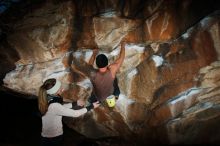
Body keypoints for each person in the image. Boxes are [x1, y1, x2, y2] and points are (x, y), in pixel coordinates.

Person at [38, 78, 100, 146]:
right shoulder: (54, 105)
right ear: (55, 91)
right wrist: (91, 107)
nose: (62, 89)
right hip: (53, 138)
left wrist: (75, 103)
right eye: (60, 88)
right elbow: (75, 114)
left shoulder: (47, 98)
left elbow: (60, 108)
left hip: (45, 136)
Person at [88, 41, 125, 106]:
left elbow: (89, 65)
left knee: (92, 98)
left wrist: (94, 54)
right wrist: (123, 45)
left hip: (99, 96)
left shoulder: (92, 73)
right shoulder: (112, 69)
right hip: (111, 93)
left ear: (96, 65)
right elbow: (121, 58)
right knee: (115, 85)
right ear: (107, 63)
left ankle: (94, 102)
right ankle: (115, 97)